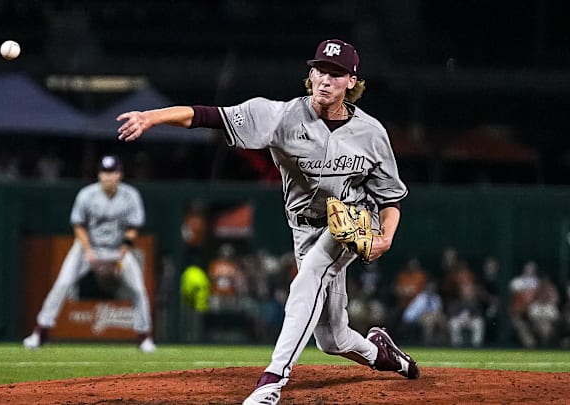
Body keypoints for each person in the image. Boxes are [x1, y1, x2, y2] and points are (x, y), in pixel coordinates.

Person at [116, 38, 418, 405]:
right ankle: (382, 353)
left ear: (352, 82)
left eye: (336, 74)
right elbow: (209, 115)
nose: (325, 79)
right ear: (310, 74)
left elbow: (391, 196)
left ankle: (271, 381)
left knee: (307, 279)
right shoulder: (279, 116)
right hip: (303, 228)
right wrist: (152, 117)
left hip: (350, 223)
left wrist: (385, 236)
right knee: (332, 338)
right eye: (320, 70)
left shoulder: (371, 133)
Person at [23, 154, 156, 353]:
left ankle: (144, 337)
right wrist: (88, 252)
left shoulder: (130, 195)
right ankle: (40, 332)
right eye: (104, 173)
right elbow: (79, 226)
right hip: (86, 247)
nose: (108, 177)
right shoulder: (87, 194)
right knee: (62, 284)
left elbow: (132, 227)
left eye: (112, 173)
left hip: (117, 249)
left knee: (138, 289)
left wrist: (123, 250)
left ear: (119, 175)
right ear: (99, 175)